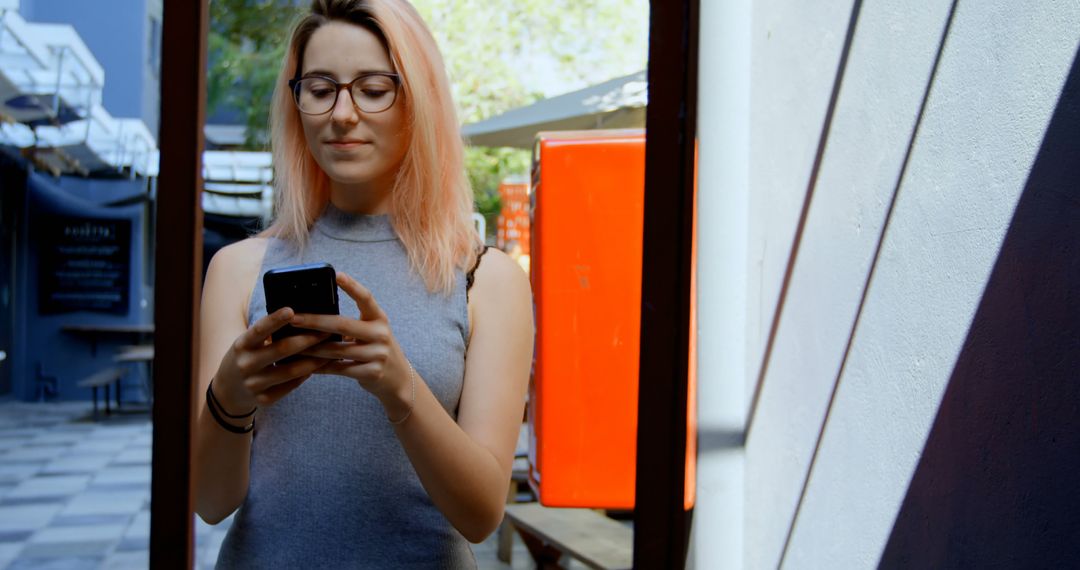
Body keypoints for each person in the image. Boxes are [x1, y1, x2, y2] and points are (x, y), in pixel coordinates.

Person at [193, 0, 534, 567]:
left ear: (418, 99)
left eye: (374, 88)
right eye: (320, 88)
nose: (342, 114)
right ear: (295, 100)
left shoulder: (485, 278)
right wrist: (229, 396)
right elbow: (209, 502)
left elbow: (480, 515)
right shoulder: (238, 267)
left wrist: (401, 387)